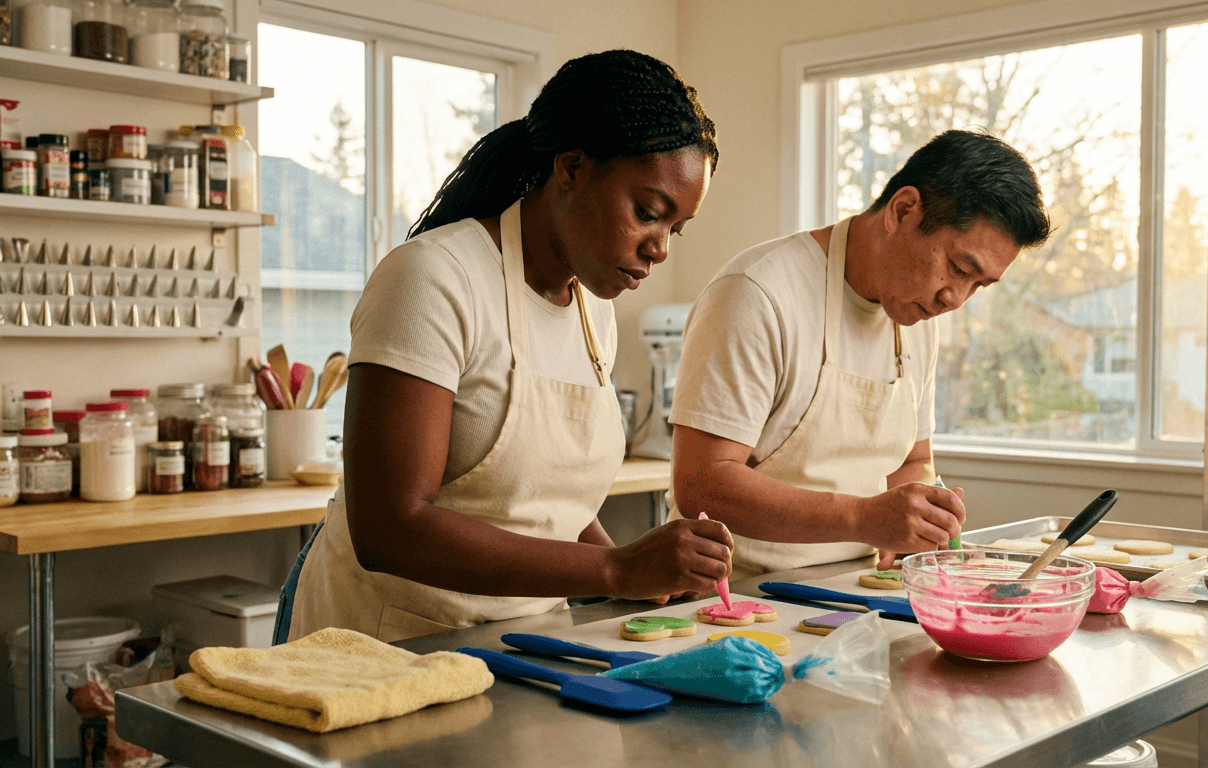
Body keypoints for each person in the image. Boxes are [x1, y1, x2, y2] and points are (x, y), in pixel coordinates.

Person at [278, 50, 731, 643]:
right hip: (382, 643)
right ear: (570, 169)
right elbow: (388, 529)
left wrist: (648, 573)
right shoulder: (435, 278)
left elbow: (545, 504)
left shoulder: (594, 309)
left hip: (518, 641)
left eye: (675, 228)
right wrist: (617, 569)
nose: (660, 248)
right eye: (648, 213)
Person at [668, 129, 1051, 576]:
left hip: (858, 588)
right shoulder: (758, 294)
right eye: (959, 268)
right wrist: (864, 519)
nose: (956, 298)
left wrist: (920, 528)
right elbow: (702, 482)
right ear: (903, 210)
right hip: (739, 593)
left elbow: (910, 460)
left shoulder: (916, 317)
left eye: (978, 285)